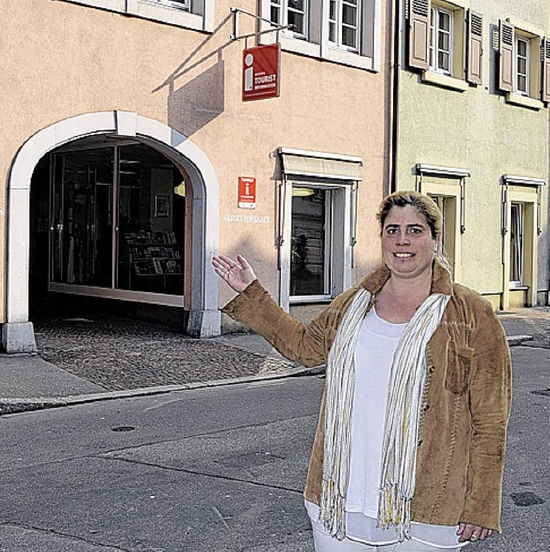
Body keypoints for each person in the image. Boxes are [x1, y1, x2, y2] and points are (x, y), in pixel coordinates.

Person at [212, 191, 512, 552]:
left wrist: (481, 504)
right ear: (382, 238)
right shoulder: (354, 303)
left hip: (429, 505)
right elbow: (305, 347)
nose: (402, 240)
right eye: (392, 230)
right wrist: (252, 294)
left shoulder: (470, 314)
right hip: (339, 498)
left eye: (415, 230)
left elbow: (491, 419)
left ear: (435, 239)